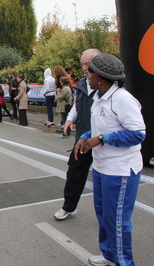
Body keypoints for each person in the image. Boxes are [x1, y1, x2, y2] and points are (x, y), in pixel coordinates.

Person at [74, 53, 145, 266]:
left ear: (102, 77)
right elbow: (100, 128)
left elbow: (138, 134)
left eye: (91, 72)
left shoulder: (123, 99)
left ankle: (124, 262)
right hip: (102, 167)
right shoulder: (99, 96)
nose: (87, 75)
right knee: (104, 215)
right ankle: (109, 255)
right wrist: (85, 137)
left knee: (117, 222)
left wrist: (102, 139)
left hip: (120, 170)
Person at [54, 48, 101, 220]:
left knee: (103, 177)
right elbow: (76, 105)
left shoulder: (108, 84)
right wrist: (69, 119)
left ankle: (106, 214)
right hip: (83, 137)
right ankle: (69, 207)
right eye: (82, 65)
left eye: (87, 65)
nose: (84, 68)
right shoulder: (82, 84)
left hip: (102, 139)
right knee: (74, 172)